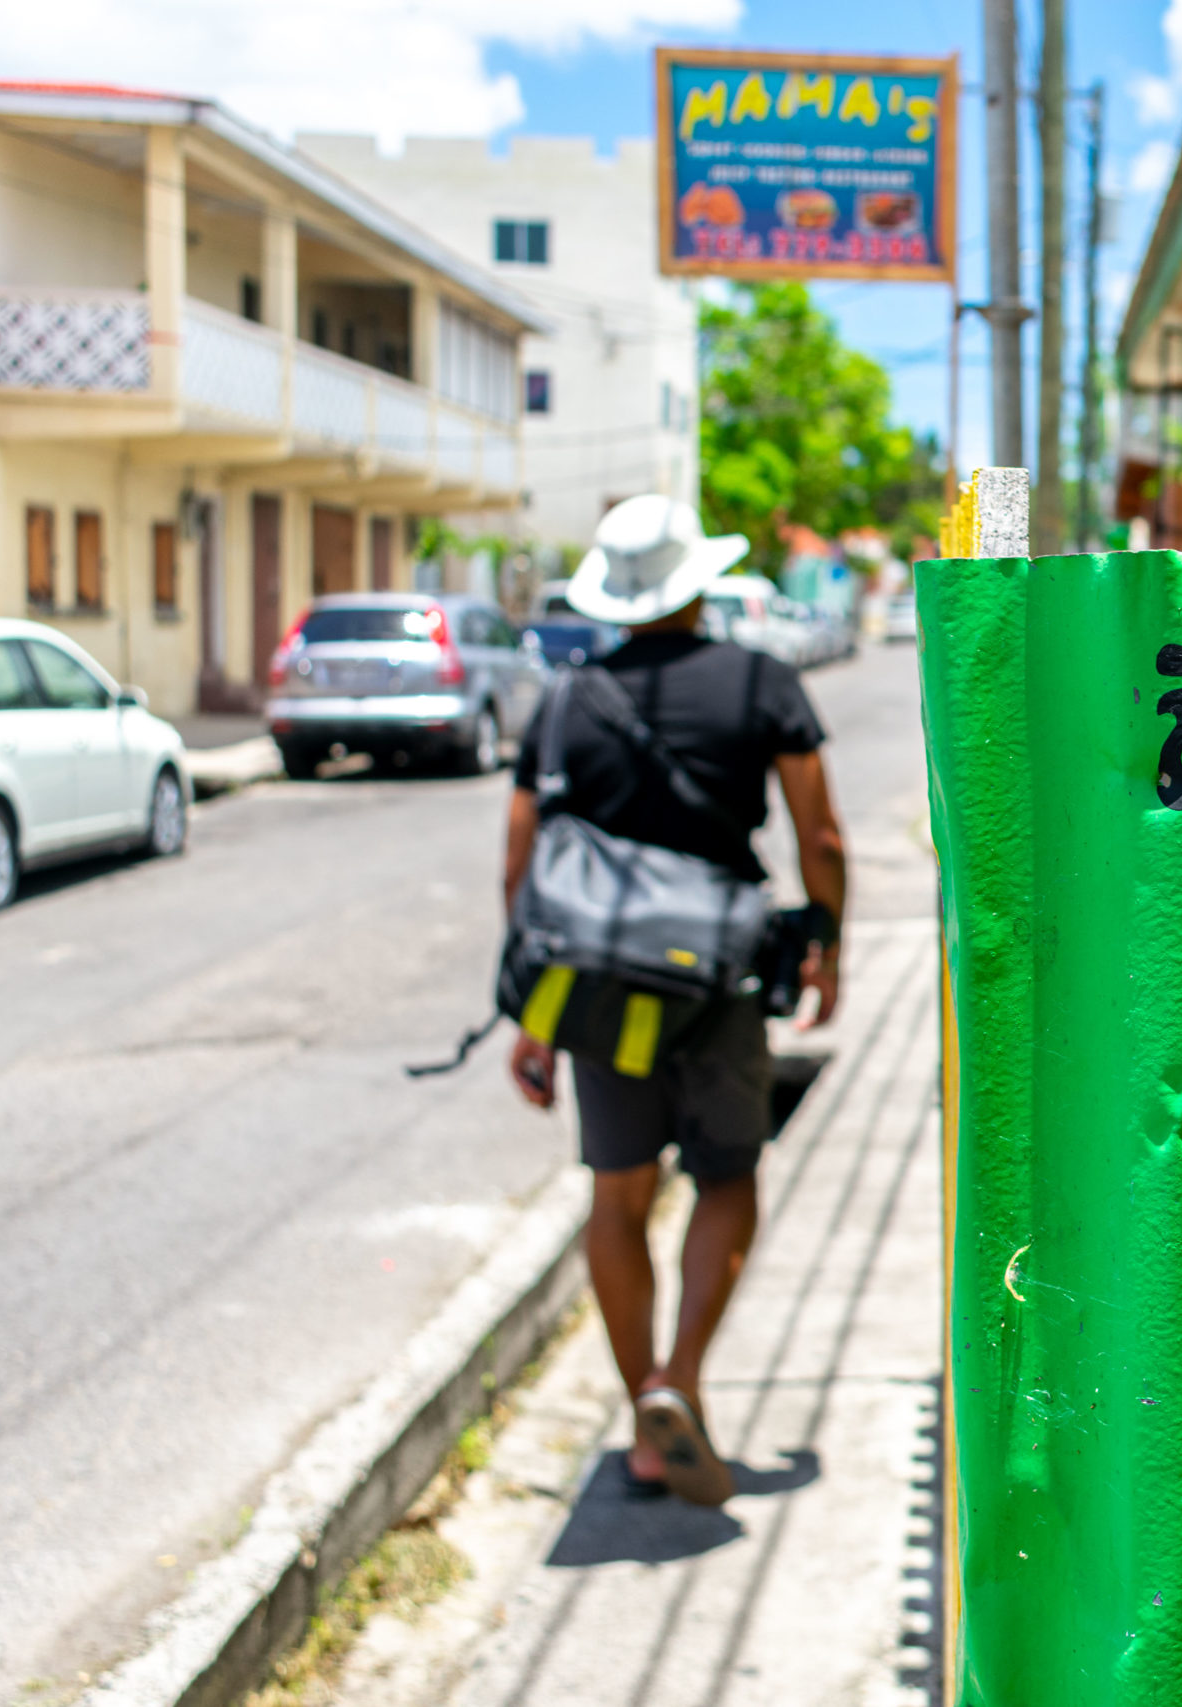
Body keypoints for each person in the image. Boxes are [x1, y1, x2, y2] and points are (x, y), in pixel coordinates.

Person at [502, 494, 847, 1506]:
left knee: (617, 1194)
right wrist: (826, 943)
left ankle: (644, 1428)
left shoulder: (567, 700)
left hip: (600, 990)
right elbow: (817, 835)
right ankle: (679, 1379)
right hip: (718, 982)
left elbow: (523, 857)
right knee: (726, 1175)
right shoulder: (759, 681)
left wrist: (533, 1011)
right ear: (699, 581)